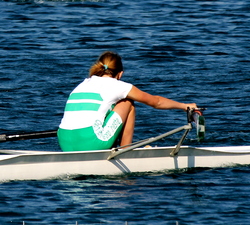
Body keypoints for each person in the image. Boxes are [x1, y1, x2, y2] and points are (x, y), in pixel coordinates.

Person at [57, 51, 198, 152]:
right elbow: (156, 102)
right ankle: (125, 151)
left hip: (65, 142)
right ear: (120, 74)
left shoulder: (83, 84)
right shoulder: (119, 85)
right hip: (91, 143)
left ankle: (111, 147)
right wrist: (185, 106)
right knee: (127, 103)